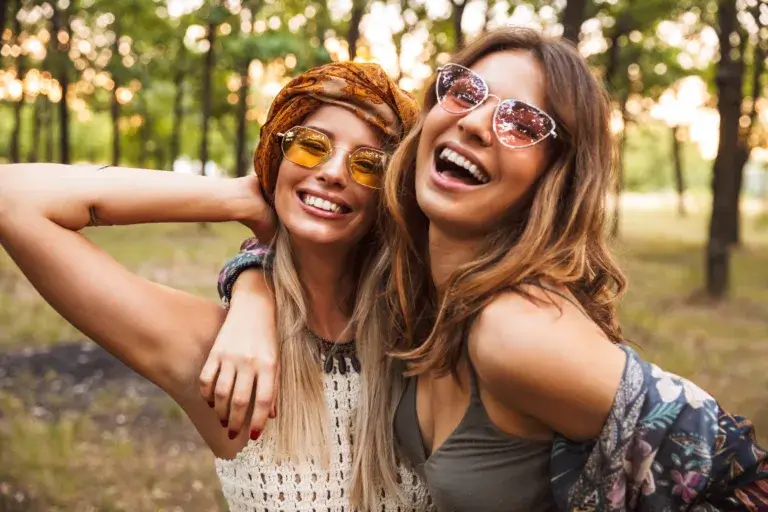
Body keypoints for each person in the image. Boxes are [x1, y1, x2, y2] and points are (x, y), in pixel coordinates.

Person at [214, 28, 768, 510]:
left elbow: (744, 475)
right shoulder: (418, 292)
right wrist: (250, 272)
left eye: (522, 123)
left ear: (554, 178)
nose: (477, 122)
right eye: (464, 92)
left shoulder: (515, 330)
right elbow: (300, 247)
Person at [0, 61, 433, 511]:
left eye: (368, 164)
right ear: (275, 155)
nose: (334, 172)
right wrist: (235, 198)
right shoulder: (221, 355)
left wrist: (252, 279)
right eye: (310, 145)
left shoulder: (422, 335)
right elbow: (13, 198)